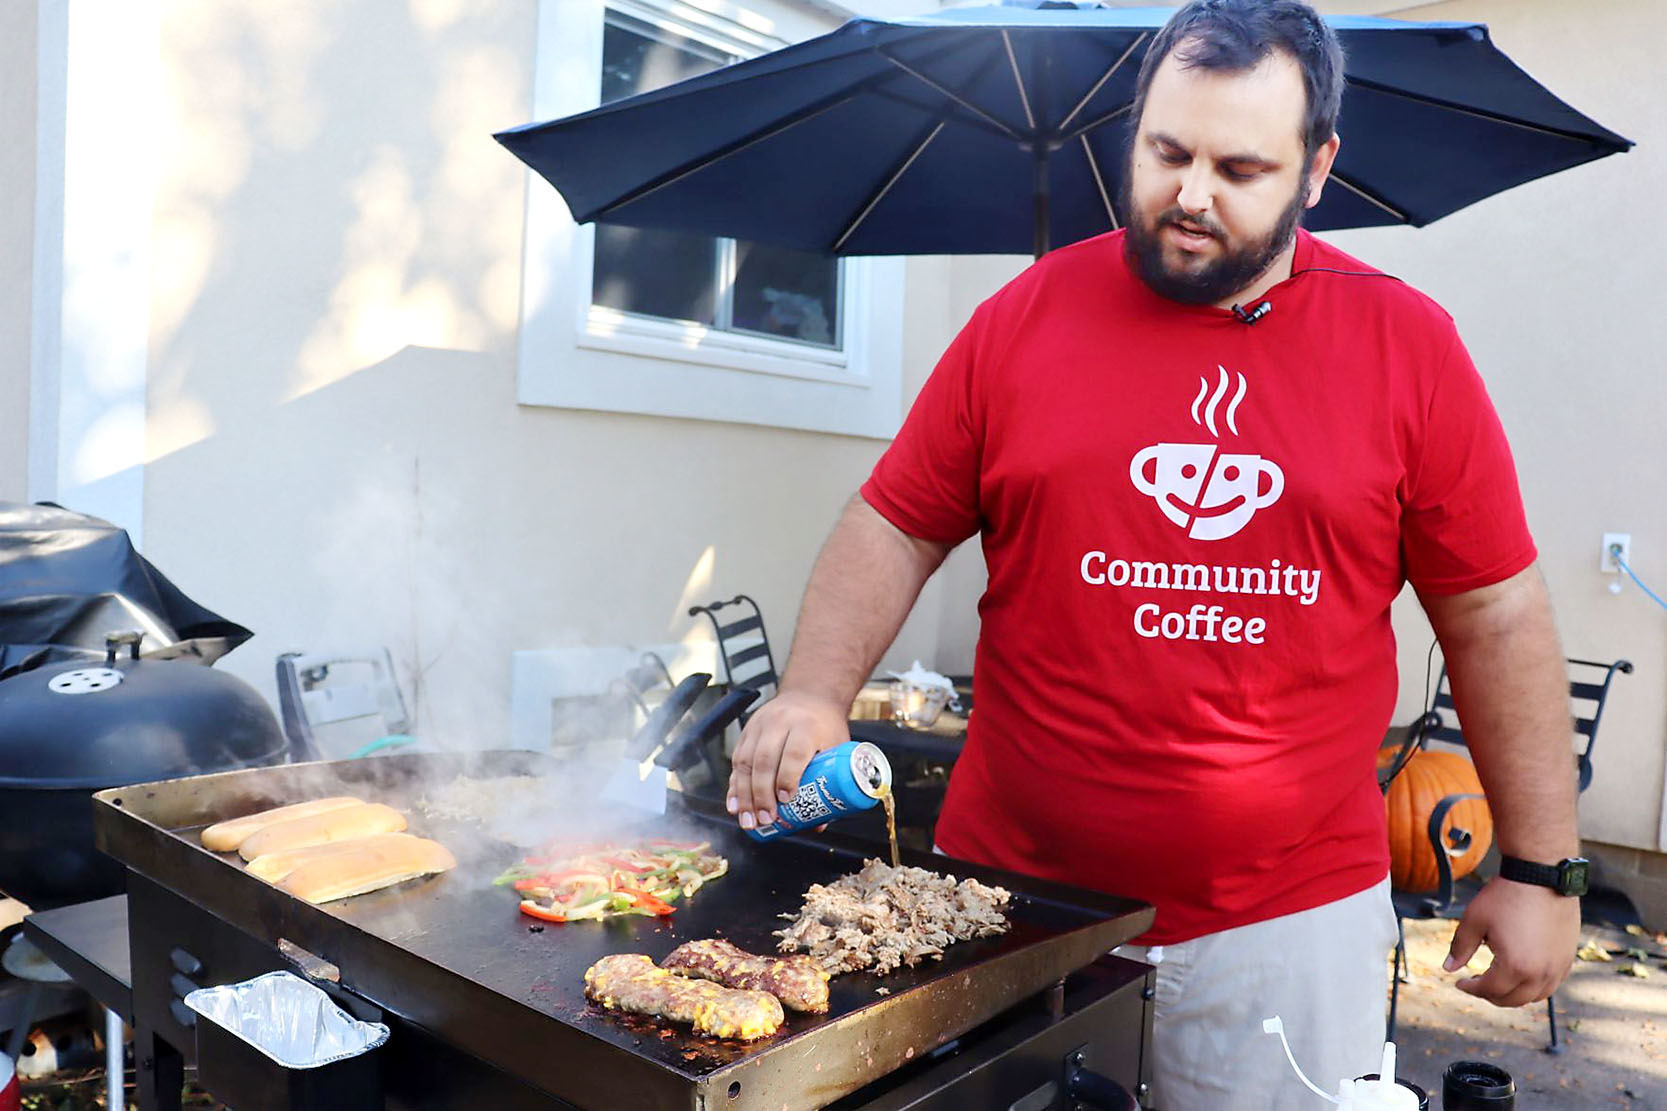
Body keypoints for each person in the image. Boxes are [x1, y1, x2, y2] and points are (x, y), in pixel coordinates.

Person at [726, 1, 1582, 1105]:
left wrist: (1537, 870)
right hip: (1008, 903)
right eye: (1166, 151)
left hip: (1284, 929)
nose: (1189, 194)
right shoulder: (1021, 316)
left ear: (1316, 167)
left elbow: (1494, 613)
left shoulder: (1404, 346)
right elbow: (894, 521)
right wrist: (812, 690)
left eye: (1238, 166)